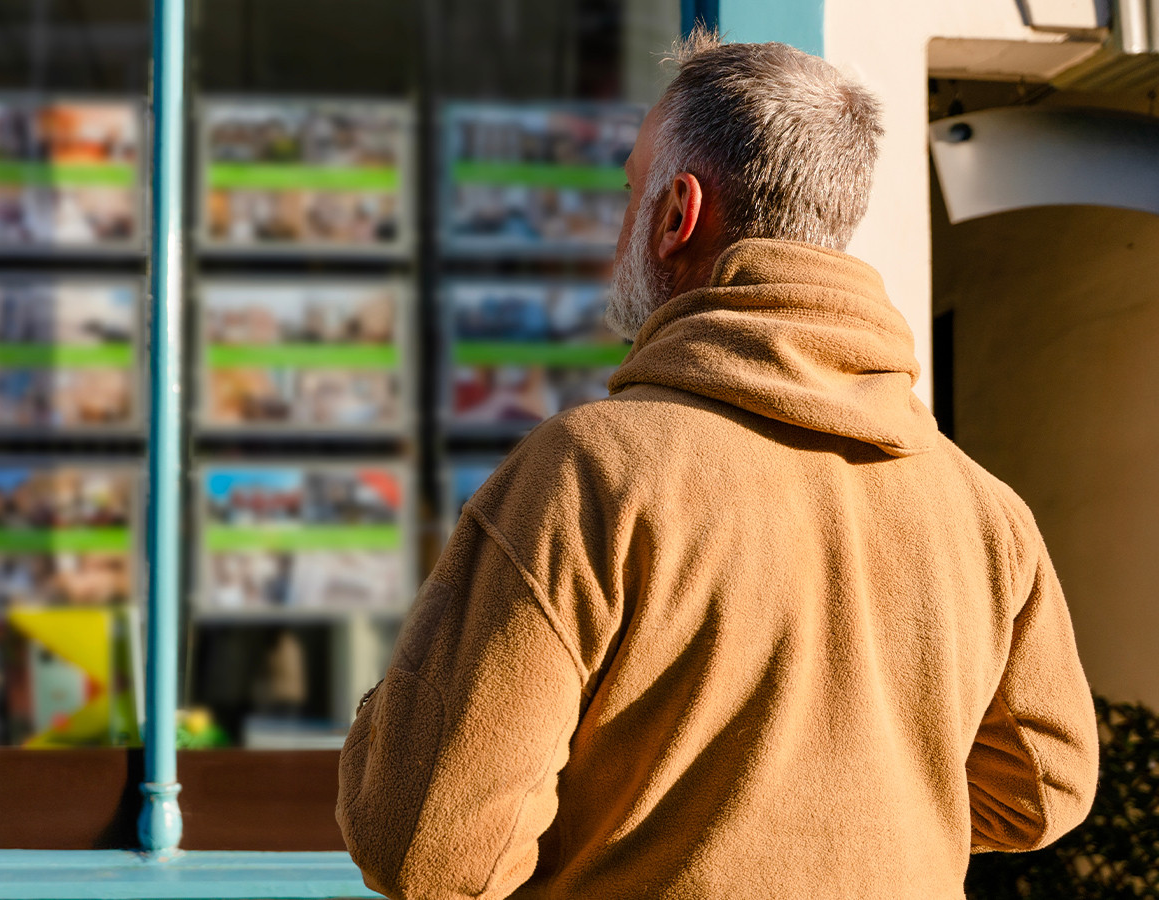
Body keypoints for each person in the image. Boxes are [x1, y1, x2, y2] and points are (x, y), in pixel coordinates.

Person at [336, 30, 1099, 900]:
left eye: (629, 191)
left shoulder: (591, 472)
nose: (619, 221)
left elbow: (430, 849)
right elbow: (1044, 786)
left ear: (676, 216)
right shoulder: (983, 509)